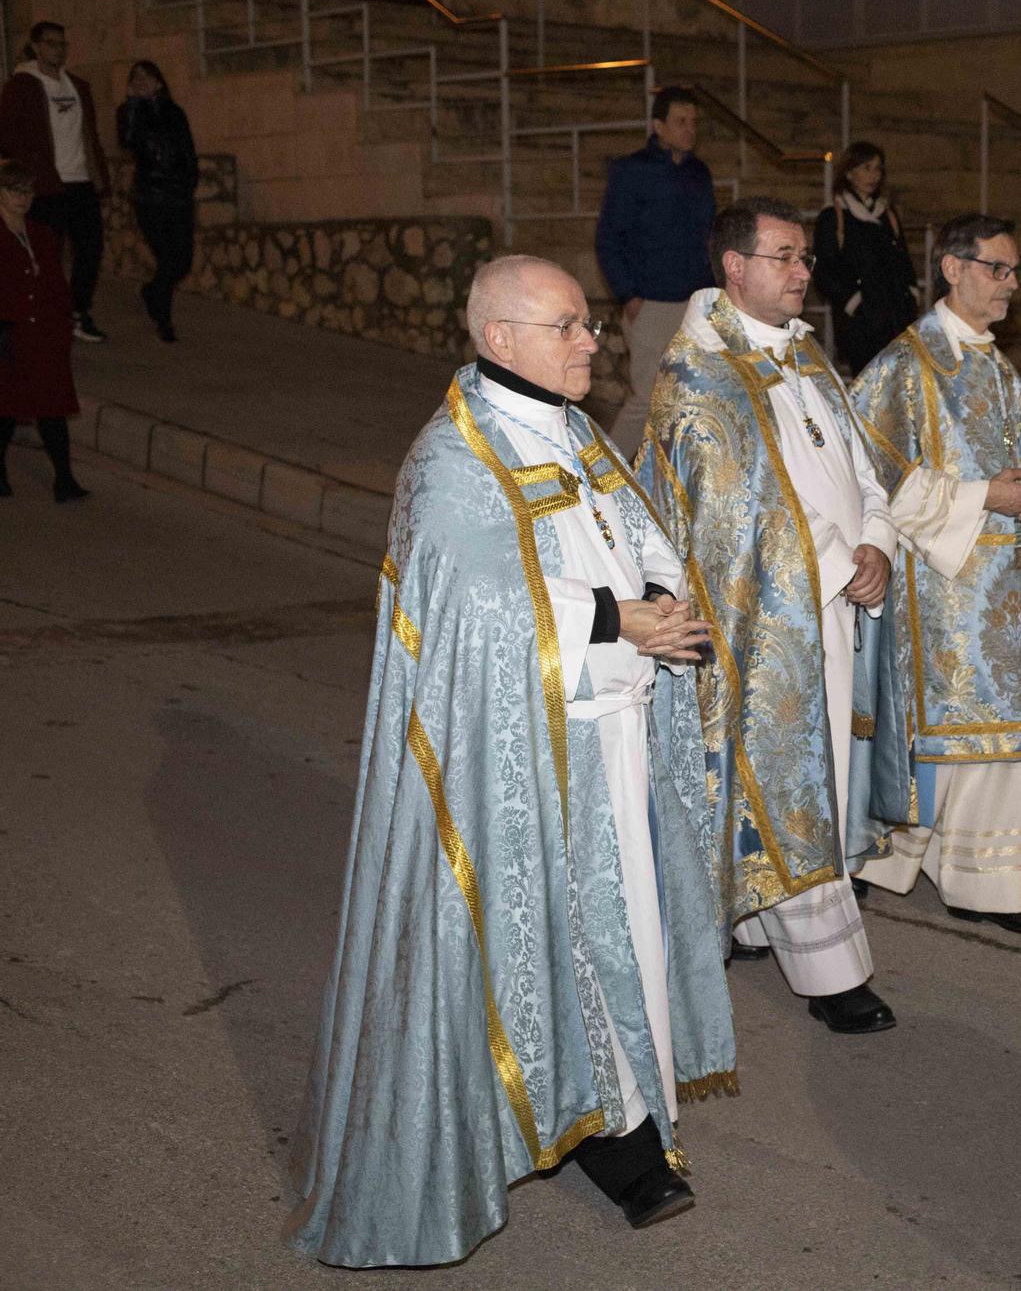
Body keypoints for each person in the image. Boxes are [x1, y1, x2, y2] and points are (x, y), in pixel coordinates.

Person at [287, 255, 737, 1267]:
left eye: (586, 323)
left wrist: (659, 589)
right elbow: (471, 611)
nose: (592, 341)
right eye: (568, 326)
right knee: (552, 947)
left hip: (611, 739)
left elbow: (634, 526)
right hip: (532, 753)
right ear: (500, 339)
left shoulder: (569, 428)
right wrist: (621, 617)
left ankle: (616, 1118)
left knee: (619, 939)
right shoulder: (454, 461)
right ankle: (601, 1139)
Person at [635, 197, 898, 1036]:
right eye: (784, 256)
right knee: (793, 778)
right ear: (734, 268)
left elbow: (863, 468)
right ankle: (833, 973)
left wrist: (880, 541)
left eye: (805, 259)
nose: (801, 272)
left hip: (841, 599)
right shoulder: (697, 376)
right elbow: (731, 513)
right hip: (773, 618)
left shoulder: (809, 357)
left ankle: (750, 917)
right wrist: (834, 560)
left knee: (809, 772)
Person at [849, 212, 1021, 937]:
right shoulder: (904, 365)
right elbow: (874, 479)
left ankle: (999, 884)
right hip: (942, 590)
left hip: (1004, 579)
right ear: (952, 268)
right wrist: (987, 498)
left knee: (1008, 733)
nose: (1010, 284)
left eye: (1016, 272)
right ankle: (897, 865)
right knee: (954, 736)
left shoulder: (995, 364)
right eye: (997, 269)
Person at [597, 85, 715, 457]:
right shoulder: (633, 171)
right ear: (658, 125)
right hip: (651, 302)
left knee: (692, 394)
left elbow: (707, 236)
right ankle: (605, 478)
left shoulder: (699, 173)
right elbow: (608, 237)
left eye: (693, 122)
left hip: (694, 299)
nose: (689, 130)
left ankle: (671, 479)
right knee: (648, 397)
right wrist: (628, 294)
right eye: (680, 121)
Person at [0, 21, 108, 343]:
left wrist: (99, 172)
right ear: (36, 47)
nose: (58, 50)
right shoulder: (22, 86)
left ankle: (77, 311)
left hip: (79, 180)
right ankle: (45, 316)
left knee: (90, 248)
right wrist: (29, 171)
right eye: (51, 44)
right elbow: (7, 134)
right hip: (46, 184)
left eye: (62, 44)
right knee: (47, 256)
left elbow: (89, 134)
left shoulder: (77, 86)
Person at [0, 159, 87, 501]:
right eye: (14, 190)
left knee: (51, 408)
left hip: (45, 334)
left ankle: (64, 480)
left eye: (28, 191)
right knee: (6, 409)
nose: (23, 198)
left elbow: (55, 283)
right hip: (8, 334)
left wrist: (64, 322)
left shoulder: (41, 233)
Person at [811, 139, 918, 374]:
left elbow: (903, 259)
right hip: (861, 324)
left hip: (896, 317)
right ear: (849, 173)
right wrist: (854, 303)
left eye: (878, 168)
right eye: (866, 168)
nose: (873, 175)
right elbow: (825, 270)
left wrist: (911, 293)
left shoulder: (886, 213)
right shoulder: (835, 214)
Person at [115, 59, 197, 343]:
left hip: (178, 198)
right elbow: (127, 142)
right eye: (135, 77)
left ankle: (152, 293)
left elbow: (188, 152)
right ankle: (164, 319)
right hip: (150, 198)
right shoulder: (128, 112)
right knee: (167, 259)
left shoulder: (175, 113)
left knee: (181, 263)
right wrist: (135, 104)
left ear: (159, 81)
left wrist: (189, 187)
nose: (141, 81)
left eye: (147, 76)